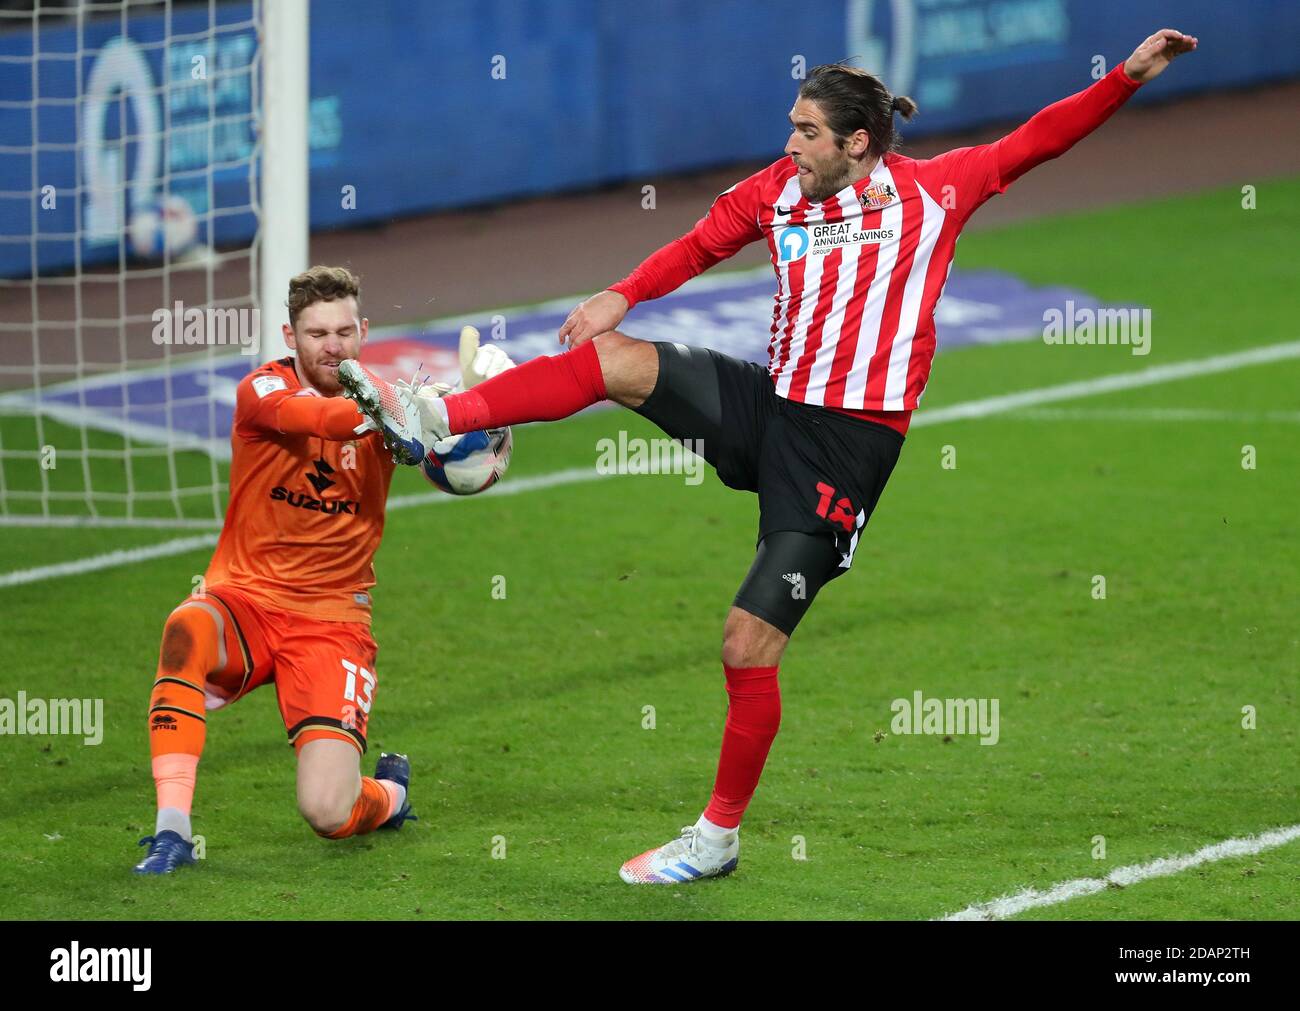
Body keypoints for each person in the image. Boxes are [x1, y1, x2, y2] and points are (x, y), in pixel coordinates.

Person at [340, 30, 1197, 885]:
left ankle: (714, 840)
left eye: (808, 131)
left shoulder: (936, 191)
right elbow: (703, 242)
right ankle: (439, 416)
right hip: (770, 405)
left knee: (746, 643)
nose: (791, 143)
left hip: (844, 452)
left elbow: (1036, 140)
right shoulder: (777, 192)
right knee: (616, 361)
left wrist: (1124, 78)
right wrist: (620, 294)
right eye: (791, 125)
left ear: (856, 143)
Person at [135, 266, 416, 873]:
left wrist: (457, 441)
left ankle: (390, 795)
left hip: (332, 622)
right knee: (185, 629)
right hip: (246, 601)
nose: (332, 346)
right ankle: (171, 833)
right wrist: (397, 412)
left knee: (328, 811)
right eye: (317, 333)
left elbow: (453, 468)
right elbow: (317, 419)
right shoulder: (263, 392)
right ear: (291, 338)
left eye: (344, 331)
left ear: (363, 331)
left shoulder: (392, 411)